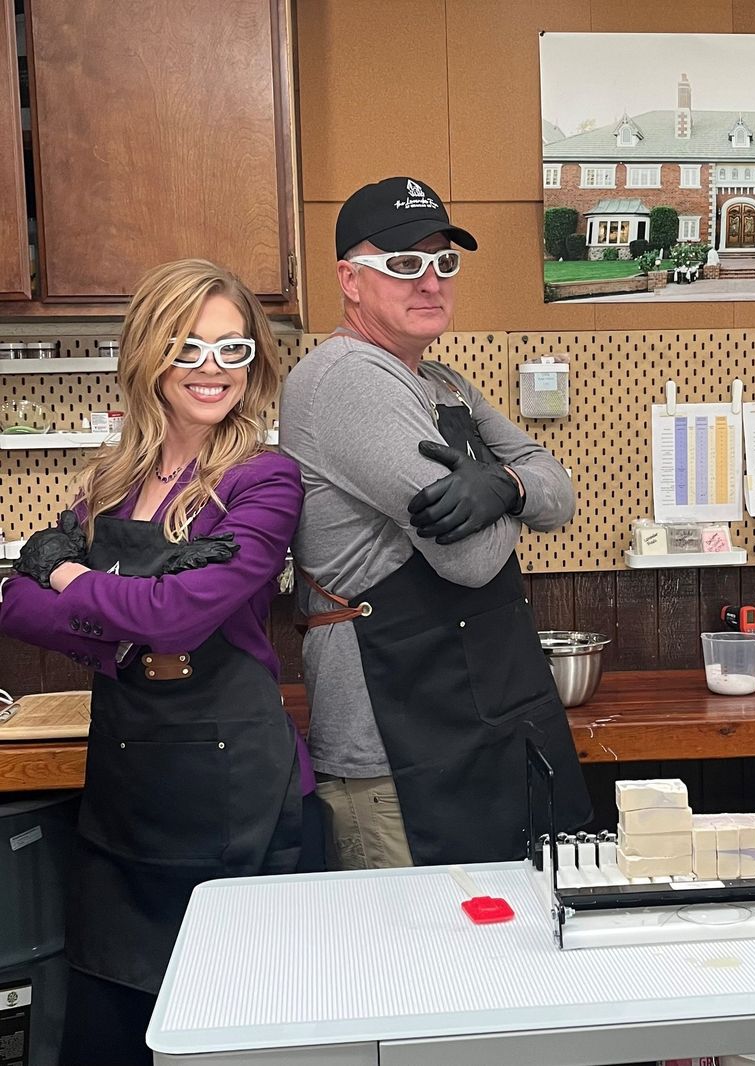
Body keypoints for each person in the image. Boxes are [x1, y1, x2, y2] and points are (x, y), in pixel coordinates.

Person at [0, 259, 317, 1065]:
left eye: (232, 350)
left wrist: (72, 574)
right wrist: (132, 624)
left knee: (241, 1030)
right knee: (113, 1029)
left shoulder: (264, 480)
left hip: (235, 794)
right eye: (190, 346)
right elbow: (15, 605)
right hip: (127, 785)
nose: (212, 369)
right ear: (150, 353)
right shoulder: (112, 483)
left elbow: (180, 613)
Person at [280, 176, 591, 870]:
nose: (430, 282)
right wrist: (517, 496)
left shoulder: (442, 382)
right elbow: (470, 561)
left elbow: (560, 490)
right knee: (413, 971)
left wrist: (504, 486)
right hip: (397, 751)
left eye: (443, 262)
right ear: (349, 280)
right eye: (403, 263)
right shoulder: (347, 379)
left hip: (483, 718)